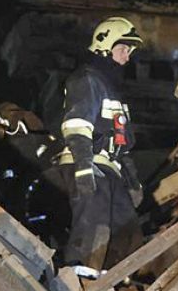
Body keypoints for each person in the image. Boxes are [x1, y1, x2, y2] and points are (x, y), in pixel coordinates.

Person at [58, 16, 146, 269]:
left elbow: (122, 144)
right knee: (93, 226)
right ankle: (78, 279)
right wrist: (84, 167)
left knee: (127, 231)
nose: (127, 57)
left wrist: (132, 181)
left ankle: (110, 281)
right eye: (123, 49)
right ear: (104, 46)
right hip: (88, 163)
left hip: (108, 169)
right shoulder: (87, 79)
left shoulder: (112, 90)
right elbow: (77, 124)